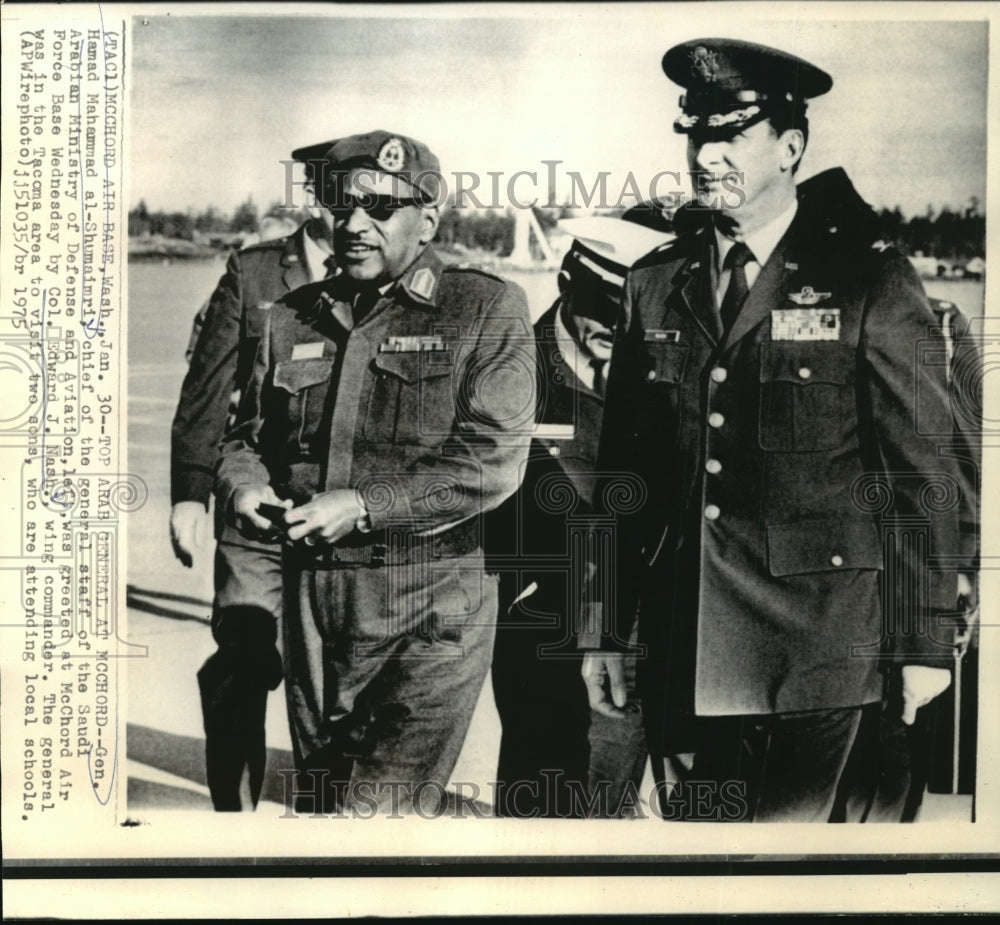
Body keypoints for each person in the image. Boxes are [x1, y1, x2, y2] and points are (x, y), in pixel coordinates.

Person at [582, 39, 966, 822]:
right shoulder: (655, 285)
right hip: (684, 646)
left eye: (732, 135)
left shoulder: (868, 278)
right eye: (697, 134)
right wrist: (602, 629)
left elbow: (917, 472)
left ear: (790, 148)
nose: (707, 155)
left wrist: (923, 643)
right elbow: (623, 476)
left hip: (822, 648)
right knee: (699, 865)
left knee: (779, 865)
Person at [216, 131, 535, 816]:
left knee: (371, 817)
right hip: (316, 612)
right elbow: (243, 438)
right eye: (340, 204)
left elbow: (490, 461)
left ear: (428, 217)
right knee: (329, 806)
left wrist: (363, 504)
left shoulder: (485, 309)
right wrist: (242, 485)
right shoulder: (291, 317)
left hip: (432, 605)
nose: (354, 225)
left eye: (380, 208)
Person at [169, 138, 338, 811]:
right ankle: (234, 817)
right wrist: (189, 495)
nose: (350, 212)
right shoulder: (257, 272)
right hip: (257, 505)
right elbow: (207, 389)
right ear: (316, 195)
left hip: (339, 513)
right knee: (243, 657)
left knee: (329, 680)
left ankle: (332, 828)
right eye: (335, 192)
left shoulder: (394, 277)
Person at [488, 217, 671, 818]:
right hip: (544, 630)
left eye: (635, 308)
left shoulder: (674, 362)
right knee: (539, 816)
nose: (620, 327)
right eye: (607, 306)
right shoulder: (503, 371)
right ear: (569, 284)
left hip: (655, 628)